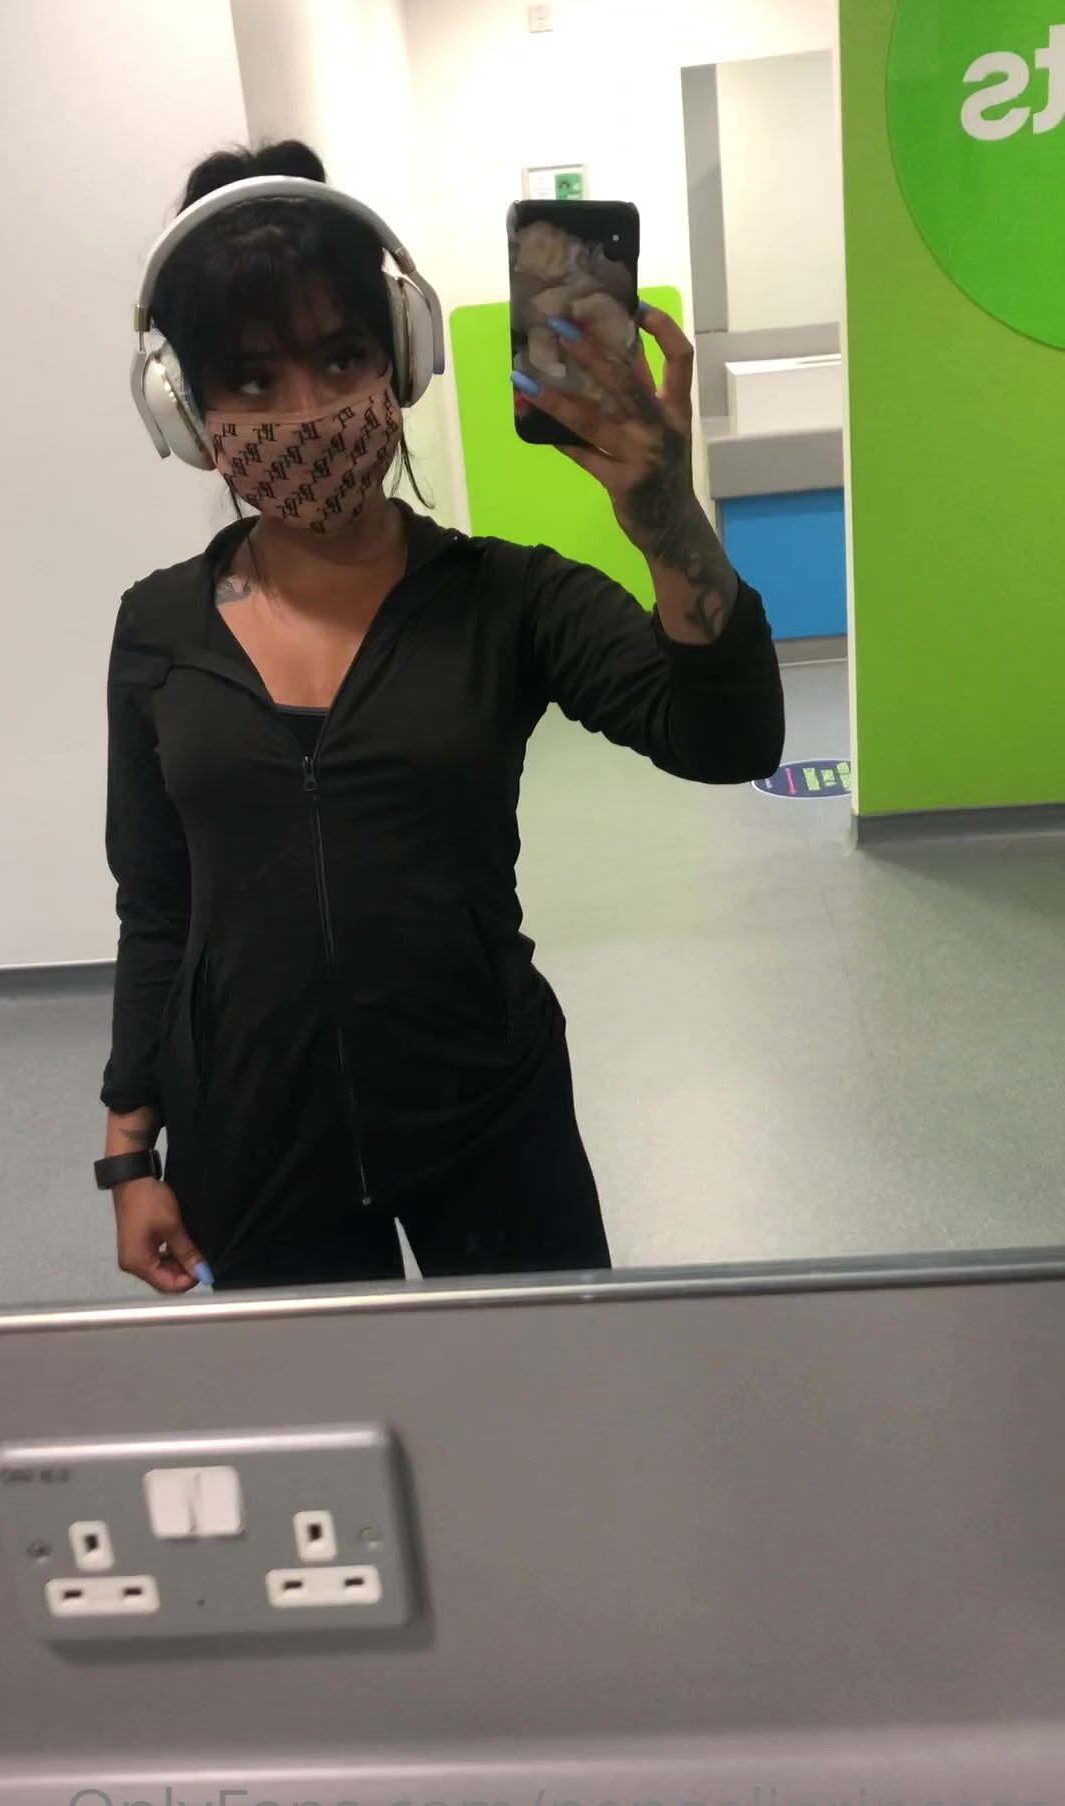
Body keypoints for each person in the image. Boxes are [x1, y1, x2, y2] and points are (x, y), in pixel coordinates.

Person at [96, 139, 785, 1294]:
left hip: (490, 1117)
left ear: (403, 358)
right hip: (252, 1138)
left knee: (549, 1389)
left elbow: (730, 740)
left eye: (341, 356)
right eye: (252, 380)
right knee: (323, 1409)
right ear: (184, 407)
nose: (307, 410)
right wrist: (129, 1152)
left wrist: (665, 510)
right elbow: (159, 906)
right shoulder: (157, 630)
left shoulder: (508, 599)